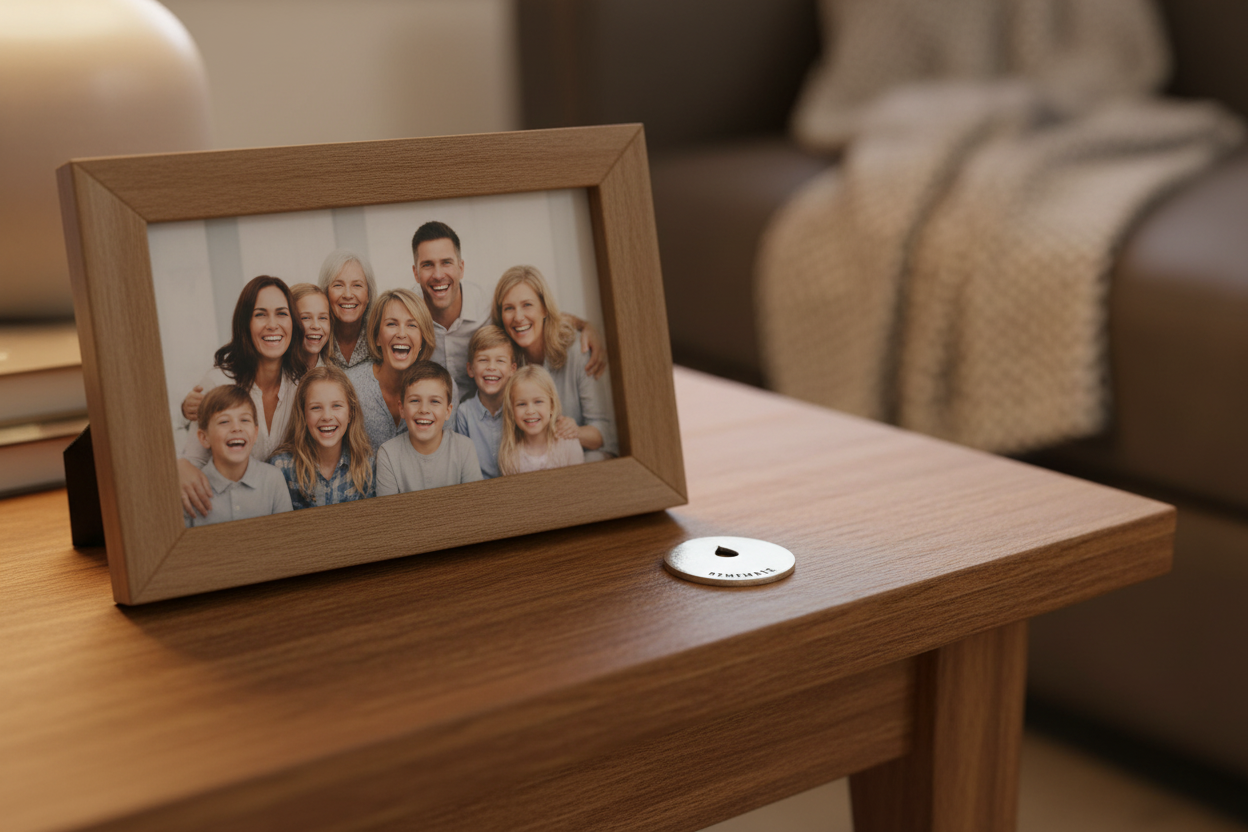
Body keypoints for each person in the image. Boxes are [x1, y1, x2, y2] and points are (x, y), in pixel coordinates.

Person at [410, 221, 608, 400]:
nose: (438, 274)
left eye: (446, 263)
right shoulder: (406, 311)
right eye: (427, 265)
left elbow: (533, 315)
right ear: (415, 273)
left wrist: (586, 326)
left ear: (461, 268)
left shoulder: (489, 302)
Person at [178, 276, 305, 519]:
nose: (272, 324)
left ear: (293, 322)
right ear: (245, 324)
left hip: (282, 509)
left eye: (281, 313)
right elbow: (192, 461)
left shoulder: (301, 384)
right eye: (260, 314)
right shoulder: (218, 382)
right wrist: (179, 466)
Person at [493, 265, 617, 460]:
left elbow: (605, 432)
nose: (518, 317)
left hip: (584, 458)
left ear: (544, 308)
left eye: (527, 305)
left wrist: (575, 432)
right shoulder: (505, 362)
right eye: (509, 308)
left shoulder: (579, 351)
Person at [345, 287, 456, 452]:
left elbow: (447, 455)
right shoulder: (350, 386)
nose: (401, 333)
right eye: (392, 324)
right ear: (377, 337)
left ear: (422, 339)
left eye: (412, 325)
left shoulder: (443, 387)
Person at [184, 385, 293, 527]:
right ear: (204, 438)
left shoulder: (274, 479)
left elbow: (286, 536)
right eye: (224, 421)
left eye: (244, 420)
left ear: (255, 434)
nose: (236, 428)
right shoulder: (191, 489)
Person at [269, 365, 375, 509]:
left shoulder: (367, 465)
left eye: (336, 405)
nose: (326, 417)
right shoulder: (280, 468)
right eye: (316, 408)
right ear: (303, 415)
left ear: (350, 413)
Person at [375, 361, 482, 495]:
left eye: (435, 401)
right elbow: (388, 512)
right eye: (415, 400)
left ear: (448, 411)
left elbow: (474, 504)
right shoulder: (388, 455)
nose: (424, 410)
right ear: (402, 409)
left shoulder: (464, 449)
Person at [451, 325, 516, 479]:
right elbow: (462, 466)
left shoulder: (518, 408)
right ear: (471, 369)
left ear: (512, 369)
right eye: (483, 360)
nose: (491, 367)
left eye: (500, 360)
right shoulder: (464, 414)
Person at [497, 365, 584, 475]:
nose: (530, 411)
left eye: (538, 402)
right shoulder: (509, 456)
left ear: (552, 406)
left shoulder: (569, 445)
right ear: (512, 411)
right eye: (521, 404)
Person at [317, 249, 378, 369]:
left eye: (357, 285)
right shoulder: (315, 336)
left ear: (369, 294)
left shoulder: (380, 337)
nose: (348, 295)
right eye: (338, 285)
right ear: (325, 293)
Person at [290, 282, 334, 370]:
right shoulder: (276, 374)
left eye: (322, 318)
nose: (316, 326)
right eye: (305, 318)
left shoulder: (334, 375)